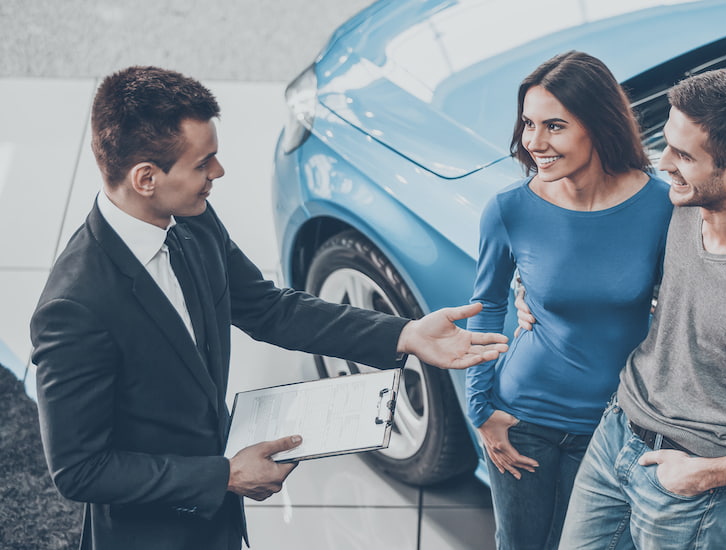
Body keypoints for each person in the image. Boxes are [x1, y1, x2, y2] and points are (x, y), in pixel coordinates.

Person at [29, 65, 508, 550]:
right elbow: (80, 469)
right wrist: (222, 476)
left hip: (216, 518)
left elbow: (268, 308)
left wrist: (404, 334)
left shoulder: (190, 221)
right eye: (203, 163)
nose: (218, 173)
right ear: (146, 178)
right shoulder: (74, 308)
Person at [514, 69, 726, 549]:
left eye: (684, 155)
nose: (663, 163)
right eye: (668, 143)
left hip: (690, 490)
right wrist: (530, 285)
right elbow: (608, 246)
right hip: (617, 430)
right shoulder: (690, 200)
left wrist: (702, 476)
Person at [466, 51, 673, 550]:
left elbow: (681, 312)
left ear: (598, 125)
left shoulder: (663, 207)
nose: (534, 142)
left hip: (611, 423)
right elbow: (485, 306)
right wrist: (481, 409)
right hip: (522, 413)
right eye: (528, 124)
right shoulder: (510, 209)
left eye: (554, 126)